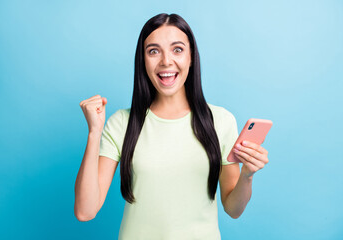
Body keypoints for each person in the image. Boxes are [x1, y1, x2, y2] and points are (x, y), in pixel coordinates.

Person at [75, 13, 269, 240]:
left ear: (191, 58)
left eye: (177, 49)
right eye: (153, 51)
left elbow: (233, 209)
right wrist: (94, 132)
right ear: (143, 60)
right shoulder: (121, 123)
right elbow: (85, 211)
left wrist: (247, 174)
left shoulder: (221, 121)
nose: (166, 61)